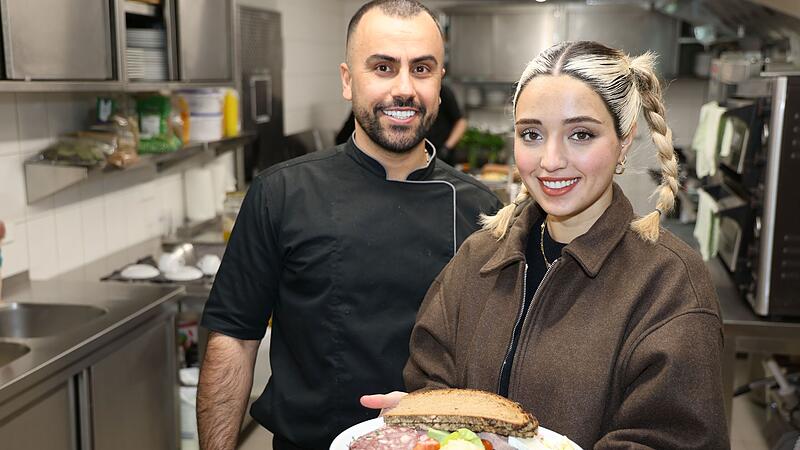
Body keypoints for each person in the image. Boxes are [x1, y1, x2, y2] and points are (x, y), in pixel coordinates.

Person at [362, 41, 728, 449]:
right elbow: (431, 378)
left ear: (624, 141)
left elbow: (672, 439)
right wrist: (430, 423)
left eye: (581, 134)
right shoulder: (479, 257)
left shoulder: (669, 284)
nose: (550, 160)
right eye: (532, 134)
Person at [196, 1, 503, 449]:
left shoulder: (481, 209)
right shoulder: (281, 193)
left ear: (439, 85)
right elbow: (234, 341)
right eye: (382, 67)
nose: (404, 89)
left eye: (422, 69)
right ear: (347, 80)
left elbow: (492, 354)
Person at [335, 83, 468, 163]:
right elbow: (342, 138)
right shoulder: (365, 107)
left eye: (420, 69)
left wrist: (447, 147)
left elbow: (460, 122)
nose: (404, 92)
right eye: (383, 68)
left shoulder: (443, 91)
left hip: (439, 157)